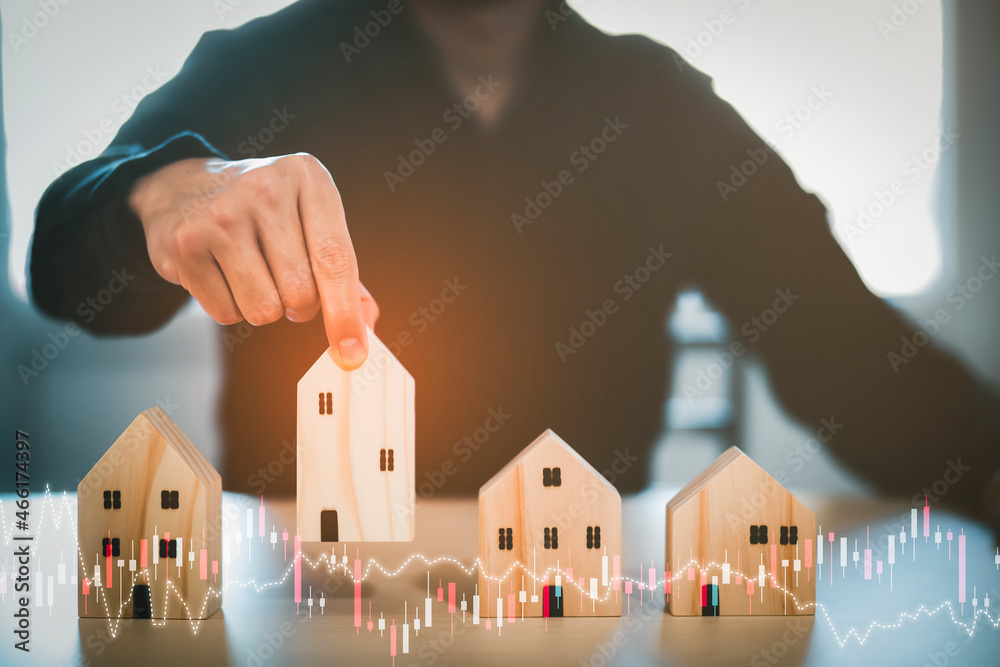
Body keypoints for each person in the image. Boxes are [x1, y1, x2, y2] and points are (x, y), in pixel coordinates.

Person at [29, 0, 1000, 530]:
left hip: (578, 604)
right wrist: (147, 199)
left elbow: (852, 359)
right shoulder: (263, 63)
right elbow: (66, 277)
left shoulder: (656, 102)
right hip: (304, 596)